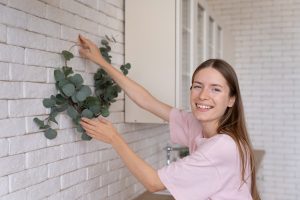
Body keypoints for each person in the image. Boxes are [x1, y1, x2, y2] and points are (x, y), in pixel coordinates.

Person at [78, 34, 261, 200]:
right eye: (198, 86)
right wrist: (101, 61)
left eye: (215, 89)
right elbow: (147, 101)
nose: (203, 95)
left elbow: (154, 183)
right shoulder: (197, 124)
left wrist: (114, 138)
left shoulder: (222, 146)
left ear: (231, 99)